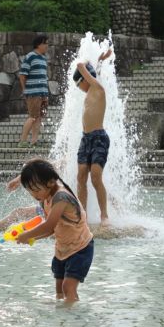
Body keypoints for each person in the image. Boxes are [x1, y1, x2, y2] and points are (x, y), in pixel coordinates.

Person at [14, 159, 94, 302]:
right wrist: (32, 238)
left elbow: (49, 225)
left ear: (51, 182)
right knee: (59, 288)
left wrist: (27, 234)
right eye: (30, 191)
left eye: (36, 190)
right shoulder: (45, 199)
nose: (34, 194)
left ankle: (72, 316)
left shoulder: (61, 197)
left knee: (68, 287)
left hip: (80, 248)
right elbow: (52, 230)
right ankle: (60, 316)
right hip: (62, 249)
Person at [73, 49, 113, 226]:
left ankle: (104, 215)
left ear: (84, 80)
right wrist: (100, 60)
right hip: (86, 138)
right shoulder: (91, 91)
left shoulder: (97, 88)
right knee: (81, 176)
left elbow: (81, 66)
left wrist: (87, 60)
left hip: (98, 138)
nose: (78, 88)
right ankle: (83, 214)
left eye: (78, 84)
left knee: (96, 177)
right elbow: (94, 72)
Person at [17, 34, 50, 148]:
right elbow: (22, 75)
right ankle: (22, 141)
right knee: (32, 117)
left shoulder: (43, 58)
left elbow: (44, 77)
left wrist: (45, 94)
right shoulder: (30, 56)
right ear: (38, 44)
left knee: (39, 117)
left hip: (42, 93)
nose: (47, 45)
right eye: (45, 43)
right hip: (33, 93)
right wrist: (25, 90)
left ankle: (34, 141)